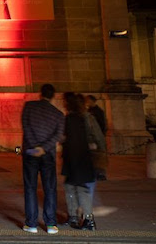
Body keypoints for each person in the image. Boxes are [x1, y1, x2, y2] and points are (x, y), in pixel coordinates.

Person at [21, 83, 64, 235]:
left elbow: (25, 127)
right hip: (48, 155)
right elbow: (57, 135)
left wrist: (34, 147)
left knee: (30, 188)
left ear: (40, 94)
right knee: (50, 188)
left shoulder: (29, 106)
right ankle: (51, 224)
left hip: (30, 153)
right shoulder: (58, 114)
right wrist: (43, 148)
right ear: (53, 96)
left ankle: (31, 224)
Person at [63, 92, 105, 231]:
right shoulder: (80, 118)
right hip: (80, 159)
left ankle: (85, 218)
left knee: (79, 188)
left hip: (80, 159)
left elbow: (97, 139)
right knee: (76, 187)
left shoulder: (77, 119)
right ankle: (78, 217)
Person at [85, 95, 108, 180]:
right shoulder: (89, 111)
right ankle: (95, 172)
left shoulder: (98, 112)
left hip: (97, 137)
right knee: (94, 157)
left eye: (87, 100)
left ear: (92, 101)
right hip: (93, 137)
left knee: (99, 156)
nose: (86, 102)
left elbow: (102, 125)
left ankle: (100, 174)